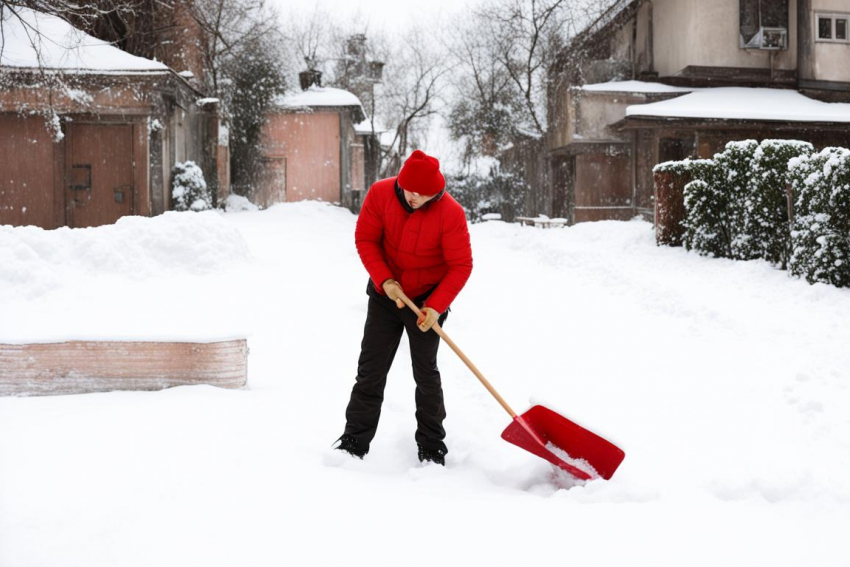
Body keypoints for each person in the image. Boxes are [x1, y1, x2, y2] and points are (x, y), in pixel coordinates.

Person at [335, 150, 473, 466]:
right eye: (411, 190)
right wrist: (385, 281)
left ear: (436, 192)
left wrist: (436, 307)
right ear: (401, 182)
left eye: (423, 195)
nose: (415, 197)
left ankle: (432, 447)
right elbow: (365, 239)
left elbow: (461, 264)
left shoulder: (450, 213)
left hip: (426, 301)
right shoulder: (381, 193)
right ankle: (354, 441)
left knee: (426, 375)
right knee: (370, 370)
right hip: (386, 296)